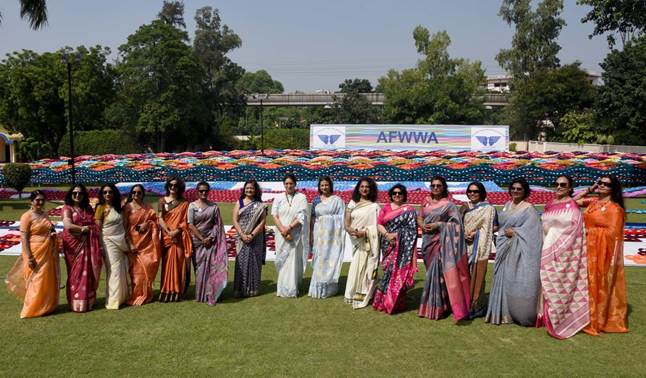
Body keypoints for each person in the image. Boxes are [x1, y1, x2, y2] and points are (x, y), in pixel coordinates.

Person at [537, 175, 589, 339]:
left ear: (570, 187)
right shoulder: (550, 204)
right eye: (557, 184)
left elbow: (575, 231)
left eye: (563, 184)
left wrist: (553, 239)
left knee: (557, 284)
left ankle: (559, 319)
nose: (559, 187)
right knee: (545, 284)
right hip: (546, 247)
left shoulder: (572, 206)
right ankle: (544, 317)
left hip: (563, 253)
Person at [575, 174, 628, 335]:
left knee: (597, 284)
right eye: (600, 183)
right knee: (584, 283)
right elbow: (572, 202)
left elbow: (613, 234)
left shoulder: (615, 209)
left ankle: (595, 319)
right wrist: (589, 190)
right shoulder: (593, 202)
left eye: (607, 184)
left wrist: (590, 232)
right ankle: (582, 316)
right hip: (586, 250)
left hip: (600, 253)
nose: (602, 186)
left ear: (613, 189)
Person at [486, 177, 542, 326]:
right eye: (513, 188)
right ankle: (502, 311)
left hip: (517, 249)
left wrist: (516, 232)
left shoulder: (529, 209)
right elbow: (501, 224)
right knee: (502, 277)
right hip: (503, 247)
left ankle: (517, 311)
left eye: (519, 189)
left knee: (513, 277)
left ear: (525, 192)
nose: (515, 191)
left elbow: (534, 232)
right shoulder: (506, 205)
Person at [418, 176, 471, 321]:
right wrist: (422, 224)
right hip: (427, 243)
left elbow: (457, 225)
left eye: (438, 186)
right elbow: (420, 216)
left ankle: (439, 307)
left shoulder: (449, 205)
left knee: (438, 275)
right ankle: (435, 304)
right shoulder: (426, 201)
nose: (435, 188)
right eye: (433, 185)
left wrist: (439, 225)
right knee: (430, 272)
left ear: (443, 187)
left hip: (441, 243)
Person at [6, 190, 60, 318]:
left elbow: (49, 228)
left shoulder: (44, 214)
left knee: (46, 278)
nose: (40, 202)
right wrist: (29, 257)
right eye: (37, 200)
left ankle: (45, 306)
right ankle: (31, 309)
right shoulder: (27, 216)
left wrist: (52, 235)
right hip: (34, 250)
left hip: (47, 250)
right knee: (36, 279)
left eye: (42, 200)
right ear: (31, 201)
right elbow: (24, 237)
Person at [372, 184, 418, 314]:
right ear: (391, 195)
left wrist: (397, 235)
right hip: (387, 244)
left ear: (404, 195)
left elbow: (411, 229)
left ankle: (394, 302)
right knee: (387, 271)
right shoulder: (386, 208)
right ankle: (382, 301)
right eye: (394, 193)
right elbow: (379, 224)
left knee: (396, 272)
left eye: (400, 193)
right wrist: (387, 235)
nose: (397, 195)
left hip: (402, 246)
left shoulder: (409, 210)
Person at [61, 184, 102, 312]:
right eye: (74, 193)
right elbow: (67, 224)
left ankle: (88, 301)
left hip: (88, 242)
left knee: (88, 271)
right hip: (73, 245)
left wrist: (91, 229)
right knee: (75, 273)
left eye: (80, 193)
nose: (77, 195)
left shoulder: (88, 208)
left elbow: (95, 222)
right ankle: (76, 302)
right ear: (70, 195)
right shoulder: (67, 208)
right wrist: (81, 229)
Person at [187, 182, 228, 305]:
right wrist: (201, 238)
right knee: (199, 268)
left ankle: (210, 293)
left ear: (208, 191)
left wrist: (210, 237)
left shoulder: (214, 207)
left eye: (205, 191)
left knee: (210, 268)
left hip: (211, 242)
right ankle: (200, 294)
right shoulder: (192, 206)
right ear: (197, 192)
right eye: (201, 191)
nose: (203, 193)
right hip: (197, 242)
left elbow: (217, 224)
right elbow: (190, 224)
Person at [461, 181, 497, 319]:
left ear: (481, 193)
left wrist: (476, 234)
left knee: (478, 276)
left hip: (479, 247)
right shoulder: (464, 207)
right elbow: (457, 223)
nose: (472, 194)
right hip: (464, 246)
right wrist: (464, 234)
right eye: (470, 191)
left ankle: (478, 306)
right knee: (465, 276)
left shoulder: (488, 208)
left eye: (475, 191)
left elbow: (494, 226)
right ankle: (465, 304)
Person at [344, 177, 381, 309]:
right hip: (356, 241)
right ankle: (353, 293)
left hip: (369, 243)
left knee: (368, 268)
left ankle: (367, 293)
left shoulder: (374, 206)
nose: (364, 189)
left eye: (367, 187)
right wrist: (351, 231)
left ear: (371, 190)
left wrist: (365, 233)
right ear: (358, 188)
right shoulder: (352, 204)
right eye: (362, 187)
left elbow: (377, 227)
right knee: (356, 267)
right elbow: (346, 224)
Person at [271, 174, 309, 298]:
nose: (289, 186)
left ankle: (292, 288)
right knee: (282, 259)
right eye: (286, 183)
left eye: (291, 183)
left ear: (295, 184)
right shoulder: (278, 198)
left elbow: (302, 216)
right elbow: (274, 215)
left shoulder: (301, 197)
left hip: (295, 234)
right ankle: (282, 288)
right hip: (281, 234)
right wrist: (283, 230)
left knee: (293, 260)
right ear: (283, 184)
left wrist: (289, 228)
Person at [123, 184, 161, 306]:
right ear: (131, 193)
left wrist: (148, 224)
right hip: (133, 245)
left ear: (143, 194)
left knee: (148, 268)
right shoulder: (127, 207)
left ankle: (147, 294)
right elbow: (124, 227)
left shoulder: (148, 207)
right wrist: (129, 244)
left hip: (147, 245)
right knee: (136, 273)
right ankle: (136, 295)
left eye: (139, 192)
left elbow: (155, 221)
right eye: (134, 192)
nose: (136, 195)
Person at [308, 176, 346, 299]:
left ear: (330, 186)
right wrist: (311, 235)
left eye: (326, 185)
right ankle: (318, 289)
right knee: (319, 259)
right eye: (322, 185)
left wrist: (328, 220)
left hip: (332, 237)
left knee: (330, 259)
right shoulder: (316, 200)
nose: (324, 187)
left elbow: (342, 217)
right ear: (319, 187)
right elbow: (313, 219)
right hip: (319, 236)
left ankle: (329, 289)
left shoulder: (337, 200)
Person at [96, 183, 130, 310]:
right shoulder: (100, 208)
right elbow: (98, 229)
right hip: (108, 242)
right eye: (105, 192)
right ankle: (113, 301)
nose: (107, 194)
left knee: (123, 269)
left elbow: (125, 225)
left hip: (121, 241)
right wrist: (100, 246)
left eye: (110, 192)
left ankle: (123, 298)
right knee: (114, 270)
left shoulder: (119, 208)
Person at [158, 176, 192, 302]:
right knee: (167, 265)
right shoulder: (162, 201)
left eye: (176, 185)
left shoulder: (184, 203)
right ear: (167, 186)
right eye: (171, 185)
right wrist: (168, 232)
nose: (173, 187)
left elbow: (185, 221)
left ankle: (177, 291)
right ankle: (166, 290)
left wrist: (176, 232)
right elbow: (160, 218)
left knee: (178, 263)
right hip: (167, 237)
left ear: (180, 188)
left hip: (178, 237)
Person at [232, 180, 267, 298]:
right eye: (247, 188)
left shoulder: (260, 205)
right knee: (241, 263)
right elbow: (235, 220)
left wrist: (252, 235)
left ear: (256, 190)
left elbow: (262, 222)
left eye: (251, 188)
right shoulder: (240, 203)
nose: (249, 190)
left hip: (255, 239)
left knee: (254, 263)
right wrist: (242, 234)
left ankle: (253, 289)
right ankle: (240, 289)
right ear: (244, 189)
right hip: (241, 238)